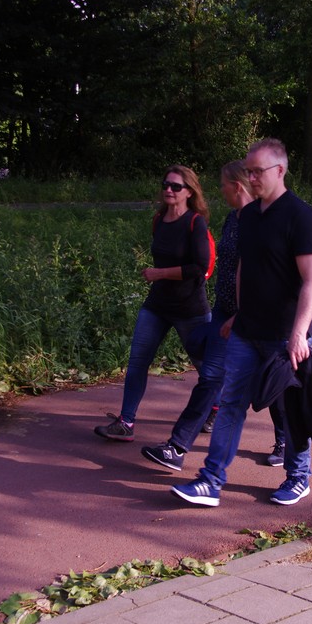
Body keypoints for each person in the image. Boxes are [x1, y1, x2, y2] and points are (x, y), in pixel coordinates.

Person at [172, 138, 312, 506]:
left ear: (280, 170)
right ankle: (211, 481)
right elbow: (244, 267)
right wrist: (238, 314)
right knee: (231, 403)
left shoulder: (300, 217)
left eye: (258, 171)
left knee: (290, 409)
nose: (251, 177)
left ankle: (298, 476)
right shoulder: (249, 216)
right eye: (249, 171)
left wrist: (298, 334)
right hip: (247, 330)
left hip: (285, 336)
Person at [140, 161, 289, 471]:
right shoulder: (233, 219)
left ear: (237, 186)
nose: (220, 190)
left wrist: (244, 314)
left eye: (223, 185)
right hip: (225, 310)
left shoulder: (264, 220)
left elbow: (266, 274)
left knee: (271, 379)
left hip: (260, 317)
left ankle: (285, 441)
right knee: (210, 377)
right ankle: (177, 447)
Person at [94, 165, 212, 442]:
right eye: (165, 185)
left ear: (189, 192)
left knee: (206, 365)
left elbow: (200, 267)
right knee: (138, 361)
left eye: (176, 186)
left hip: (190, 308)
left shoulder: (195, 222)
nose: (169, 190)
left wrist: (160, 274)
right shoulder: (159, 220)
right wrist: (160, 277)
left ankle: (215, 409)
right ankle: (126, 422)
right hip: (157, 305)